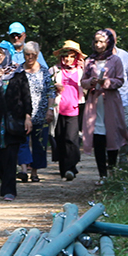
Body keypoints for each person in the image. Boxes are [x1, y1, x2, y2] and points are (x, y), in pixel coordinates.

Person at [82, 29, 128, 182]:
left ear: (108, 43)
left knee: (112, 136)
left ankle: (112, 171)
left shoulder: (115, 60)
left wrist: (107, 83)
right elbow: (83, 81)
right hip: (94, 104)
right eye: (96, 41)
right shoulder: (89, 61)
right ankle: (102, 174)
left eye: (102, 42)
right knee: (98, 138)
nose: (98, 45)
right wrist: (90, 82)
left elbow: (120, 80)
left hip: (110, 102)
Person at [0, 42, 30, 200]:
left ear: (8, 55)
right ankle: (6, 181)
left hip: (13, 121)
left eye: (1, 53)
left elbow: (26, 96)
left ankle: (9, 190)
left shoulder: (18, 73)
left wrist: (28, 117)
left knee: (10, 157)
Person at [14, 42, 54, 183]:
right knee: (22, 141)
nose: (30, 58)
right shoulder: (18, 71)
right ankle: (24, 169)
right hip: (22, 113)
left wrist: (50, 110)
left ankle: (35, 171)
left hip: (41, 113)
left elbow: (51, 92)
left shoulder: (44, 71)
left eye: (33, 55)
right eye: (27, 55)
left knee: (39, 142)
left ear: (37, 55)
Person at [51, 41, 85, 179]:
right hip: (59, 109)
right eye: (66, 56)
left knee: (71, 139)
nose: (68, 59)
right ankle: (64, 169)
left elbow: (88, 84)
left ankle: (71, 167)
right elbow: (47, 86)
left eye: (72, 56)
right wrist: (54, 86)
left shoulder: (81, 71)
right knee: (60, 139)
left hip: (75, 109)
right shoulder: (55, 70)